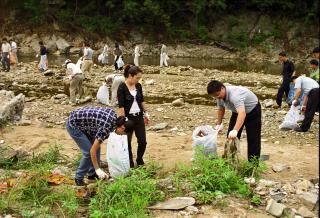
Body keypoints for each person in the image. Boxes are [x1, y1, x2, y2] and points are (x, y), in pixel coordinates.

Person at [66, 107, 130, 186]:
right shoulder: (105, 128)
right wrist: (98, 169)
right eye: (123, 133)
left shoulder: (115, 119)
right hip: (74, 124)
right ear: (122, 127)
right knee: (88, 152)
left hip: (87, 125)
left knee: (97, 147)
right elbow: (92, 151)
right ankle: (79, 177)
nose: (121, 135)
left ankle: (92, 174)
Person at [207, 80, 261, 161]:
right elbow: (221, 109)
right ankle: (230, 160)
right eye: (214, 96)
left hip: (252, 111)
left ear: (222, 88)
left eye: (217, 95)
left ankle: (253, 165)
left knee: (253, 139)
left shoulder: (235, 95)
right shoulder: (219, 96)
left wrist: (235, 130)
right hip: (237, 111)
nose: (217, 97)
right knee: (230, 137)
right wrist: (219, 124)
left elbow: (242, 113)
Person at [117, 65, 149, 167]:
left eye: (139, 78)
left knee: (142, 141)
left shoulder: (138, 86)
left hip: (139, 117)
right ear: (130, 75)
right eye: (137, 78)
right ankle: (130, 161)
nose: (138, 80)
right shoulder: (122, 87)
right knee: (127, 141)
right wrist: (123, 120)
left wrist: (146, 113)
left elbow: (142, 100)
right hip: (128, 118)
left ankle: (139, 159)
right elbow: (121, 106)